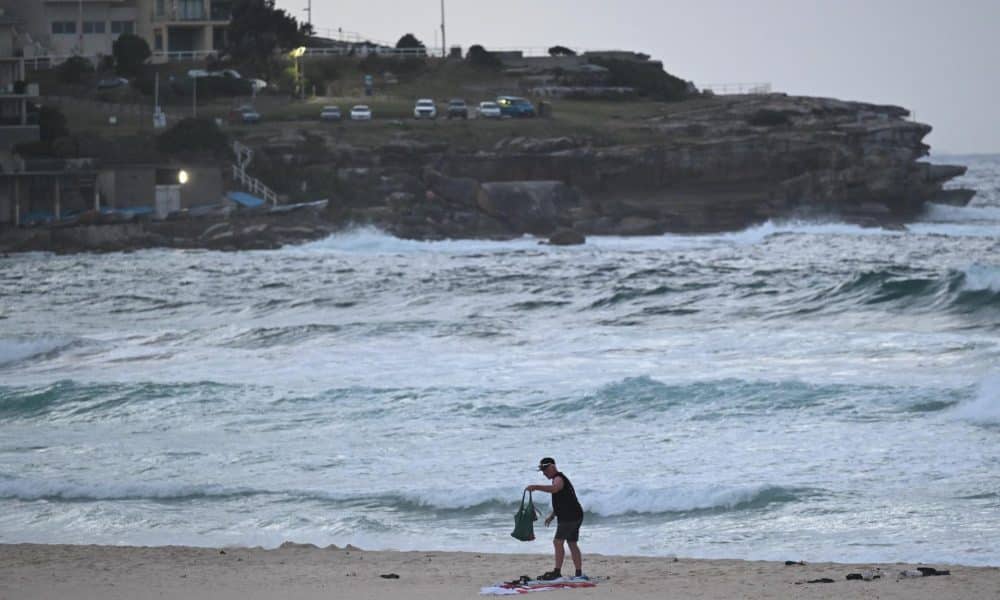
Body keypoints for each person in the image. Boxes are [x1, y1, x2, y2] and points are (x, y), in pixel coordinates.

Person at [525, 457, 585, 581]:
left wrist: (535, 487)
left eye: (545, 470)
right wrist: (552, 516)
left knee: (558, 542)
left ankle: (557, 572)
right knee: (572, 543)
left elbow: (555, 489)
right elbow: (563, 501)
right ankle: (578, 573)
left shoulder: (558, 478)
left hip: (569, 516)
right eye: (542, 471)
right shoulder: (558, 479)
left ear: (552, 467)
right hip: (576, 514)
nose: (544, 473)